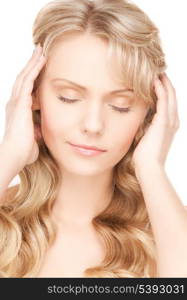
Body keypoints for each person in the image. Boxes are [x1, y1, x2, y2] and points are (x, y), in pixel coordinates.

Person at [0, 0, 187, 278]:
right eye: (69, 97)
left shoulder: (170, 228)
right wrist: (10, 153)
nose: (93, 125)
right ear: (33, 94)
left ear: (152, 112)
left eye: (121, 105)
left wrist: (151, 167)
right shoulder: (6, 220)